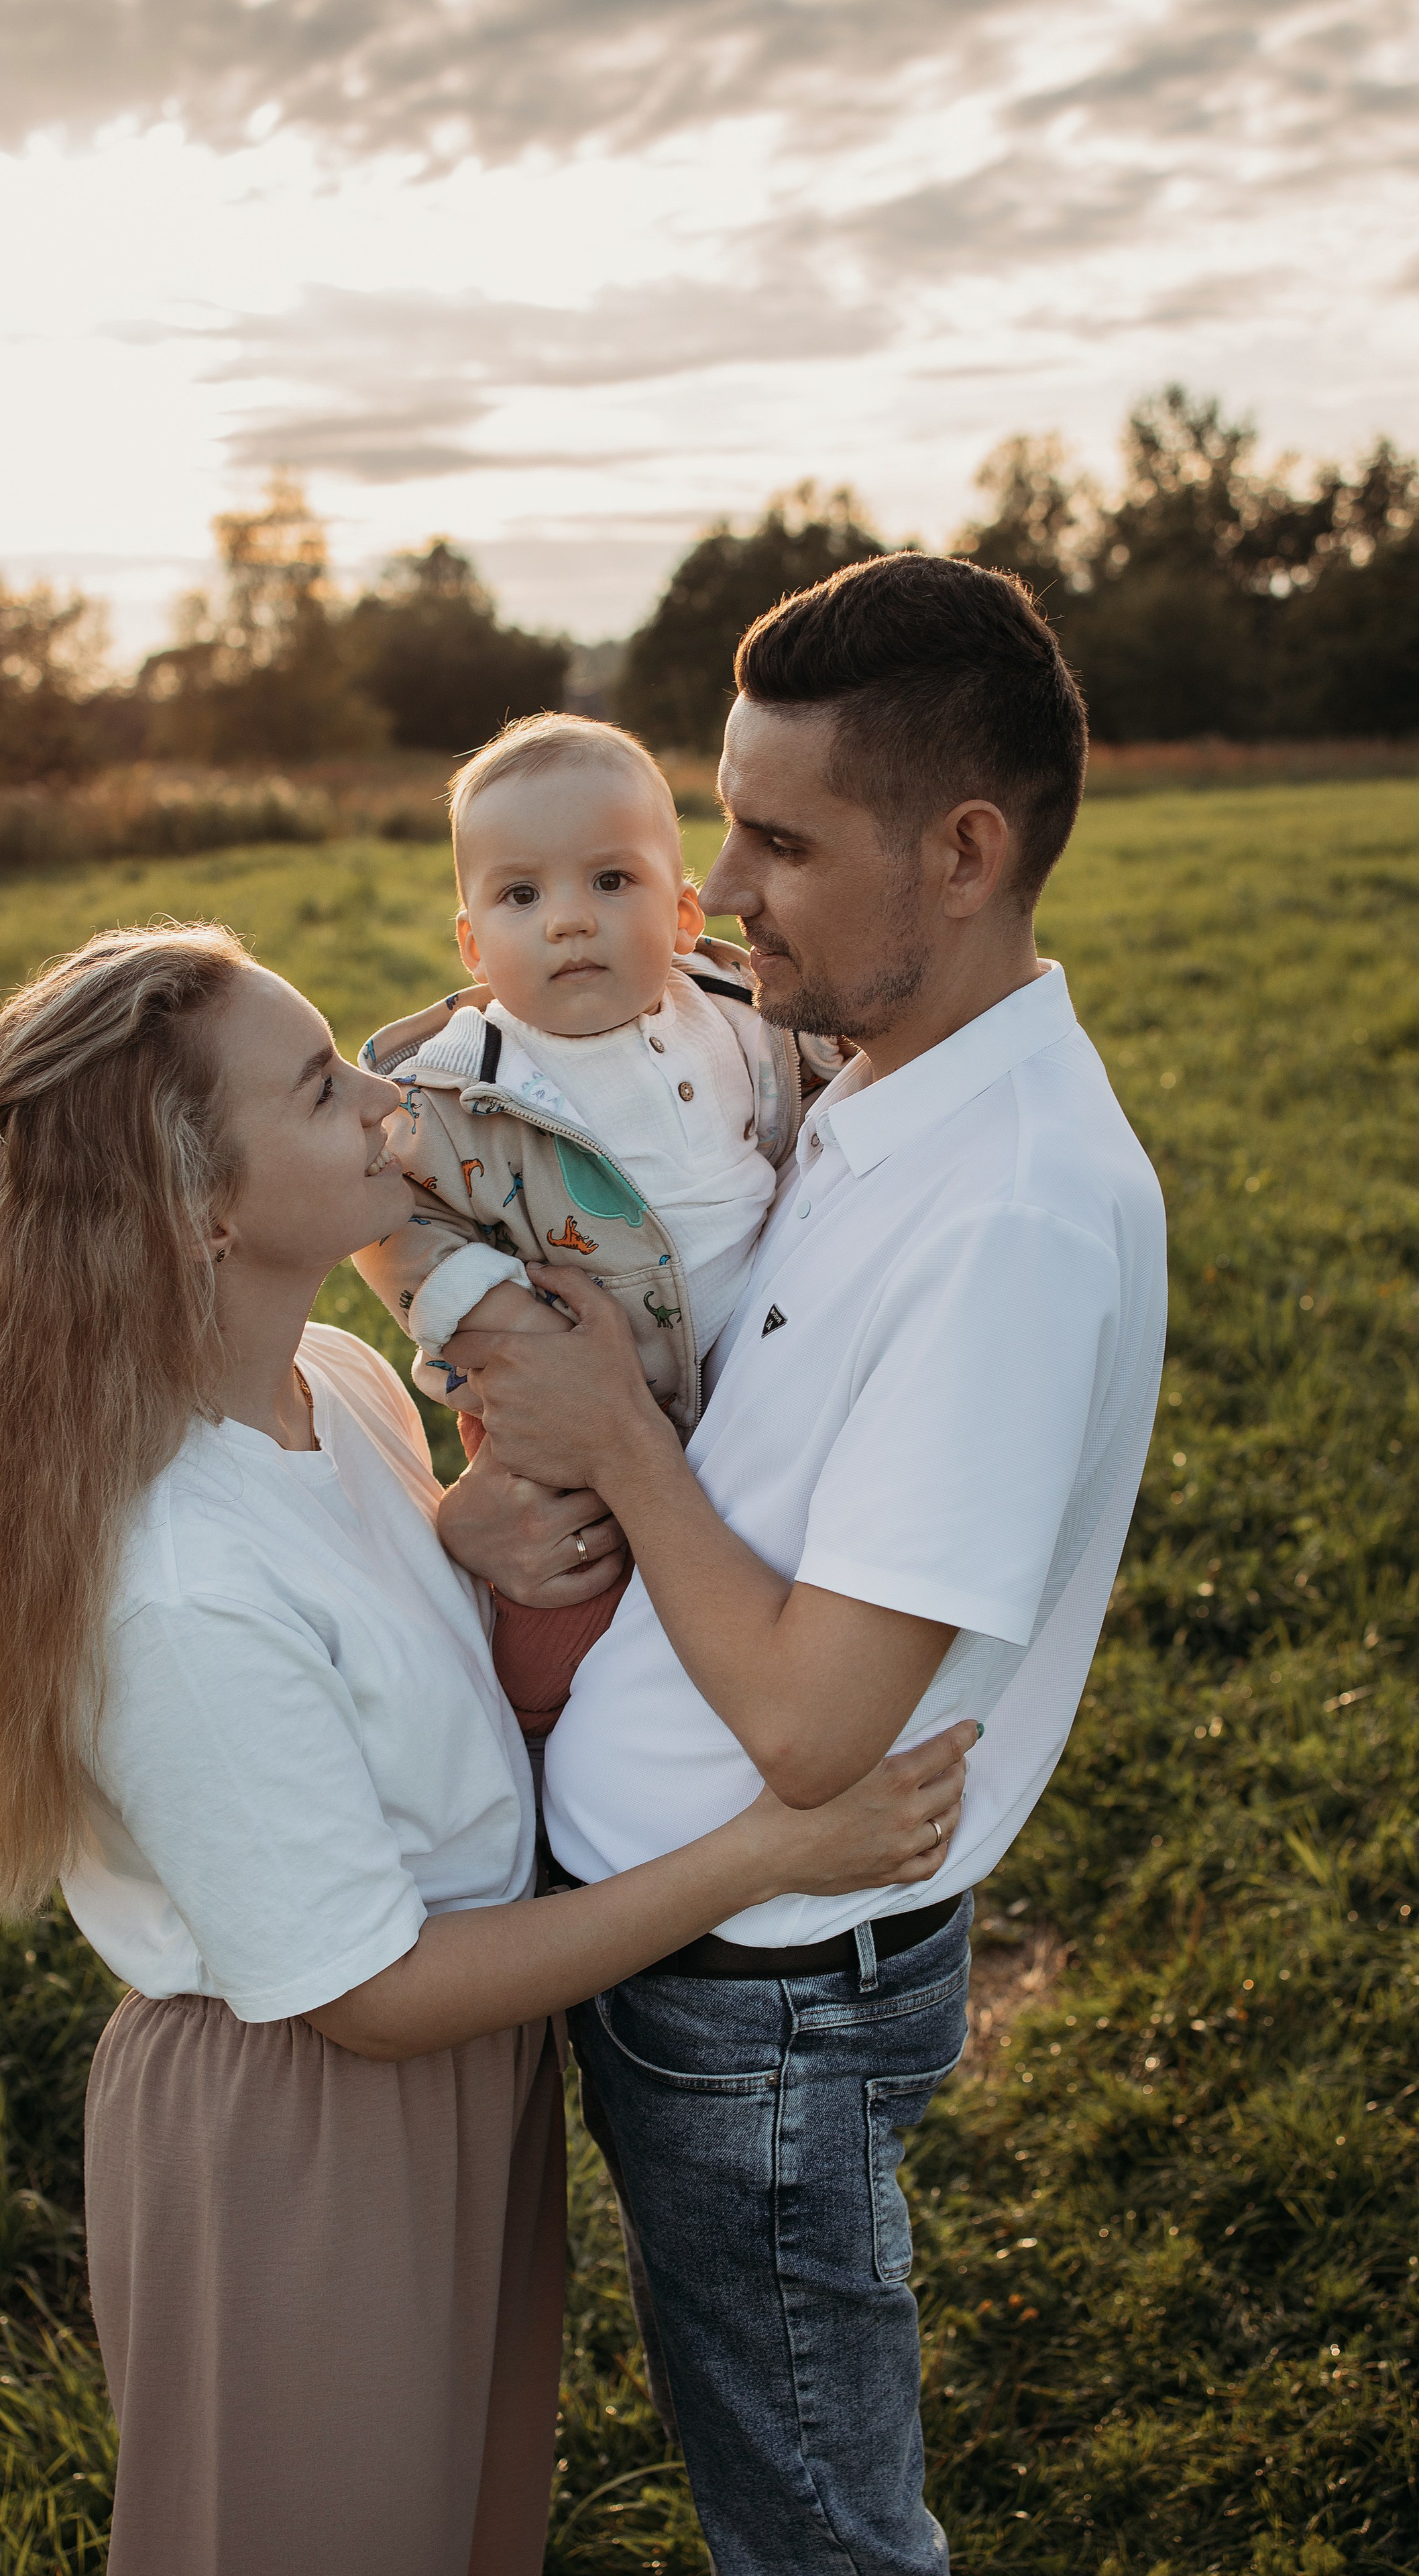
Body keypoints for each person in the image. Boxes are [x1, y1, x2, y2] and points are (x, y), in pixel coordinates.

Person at [0, 919, 978, 2576]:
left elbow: (361, 1652)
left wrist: (451, 1546)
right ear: (204, 1207)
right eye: (321, 1091)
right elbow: (368, 1993)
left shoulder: (330, 1379)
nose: (390, 1100)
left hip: (465, 2077)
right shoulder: (170, 1579)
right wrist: (769, 1850)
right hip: (305, 2127)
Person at [439, 553, 1170, 2575]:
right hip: (697, 1962)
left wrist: (602, 1444)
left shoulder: (1007, 1214)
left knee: (820, 2537)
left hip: (767, 2004)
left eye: (777, 839)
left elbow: (822, 1733)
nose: (717, 890)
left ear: (963, 851)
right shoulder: (875, 1087)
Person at [354, 710, 844, 1780]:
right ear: (476, 944)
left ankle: (714, 1750)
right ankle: (529, 1759)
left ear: (680, 915)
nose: (569, 922)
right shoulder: (457, 1084)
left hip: (749, 1388)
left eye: (610, 884)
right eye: (523, 896)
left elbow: (834, 1081)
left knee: (744, 1593)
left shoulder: (740, 1017)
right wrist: (499, 1319)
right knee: (558, 1611)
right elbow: (387, 1218)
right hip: (565, 1425)